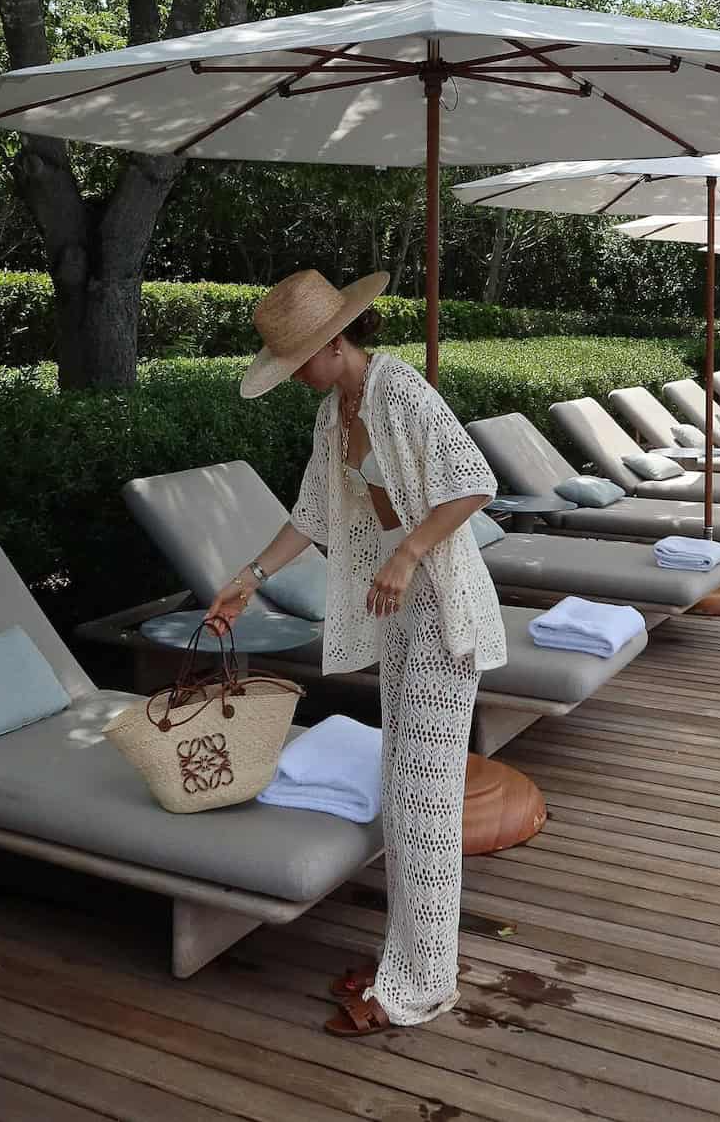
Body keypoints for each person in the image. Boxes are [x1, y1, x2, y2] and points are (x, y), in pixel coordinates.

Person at [205, 267, 506, 1037]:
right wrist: (249, 577)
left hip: (442, 608)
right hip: (398, 614)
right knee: (402, 790)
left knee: (424, 801)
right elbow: (310, 513)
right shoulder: (334, 415)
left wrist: (406, 555)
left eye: (299, 360)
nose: (296, 376)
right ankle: (407, 959)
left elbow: (474, 481)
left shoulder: (399, 391)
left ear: (335, 341)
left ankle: (421, 983)